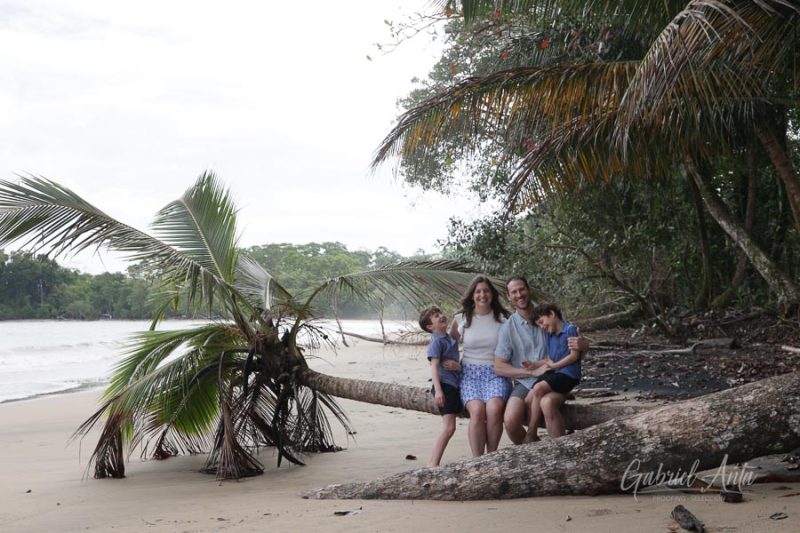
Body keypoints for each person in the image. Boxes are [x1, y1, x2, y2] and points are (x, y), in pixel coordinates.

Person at [494, 276, 587, 444]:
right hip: (525, 382)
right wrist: (530, 371)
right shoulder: (508, 328)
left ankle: (559, 450)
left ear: (528, 290)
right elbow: (499, 367)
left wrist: (583, 346)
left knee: (547, 402)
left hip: (555, 377)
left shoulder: (546, 317)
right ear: (509, 297)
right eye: (514, 292)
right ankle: (534, 449)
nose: (519, 294)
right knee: (510, 421)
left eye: (521, 289)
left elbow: (571, 348)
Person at [449, 275, 510, 456]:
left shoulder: (503, 319)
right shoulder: (461, 319)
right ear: (472, 295)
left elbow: (516, 346)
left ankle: (491, 456)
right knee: (476, 411)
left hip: (495, 372)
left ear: (492, 294)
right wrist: (450, 367)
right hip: (469, 373)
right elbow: (449, 345)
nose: (482, 295)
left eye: (486, 291)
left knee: (494, 408)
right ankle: (478, 459)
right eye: (478, 291)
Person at [524, 303, 581, 443]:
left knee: (538, 388)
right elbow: (550, 360)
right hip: (556, 374)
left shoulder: (570, 330)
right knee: (529, 398)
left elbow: (574, 356)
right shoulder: (549, 335)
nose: (542, 326)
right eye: (539, 325)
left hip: (568, 375)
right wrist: (534, 364)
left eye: (542, 322)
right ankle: (564, 395)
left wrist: (555, 365)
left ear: (552, 314)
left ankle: (531, 432)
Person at [419, 305, 461, 467]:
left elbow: (456, 333)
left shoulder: (447, 338)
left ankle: (433, 463)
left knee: (451, 427)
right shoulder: (436, 341)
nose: (441, 316)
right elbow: (434, 367)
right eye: (436, 316)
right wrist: (438, 391)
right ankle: (433, 463)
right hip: (444, 386)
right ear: (430, 327)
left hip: (453, 385)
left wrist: (458, 317)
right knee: (449, 428)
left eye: (441, 313)